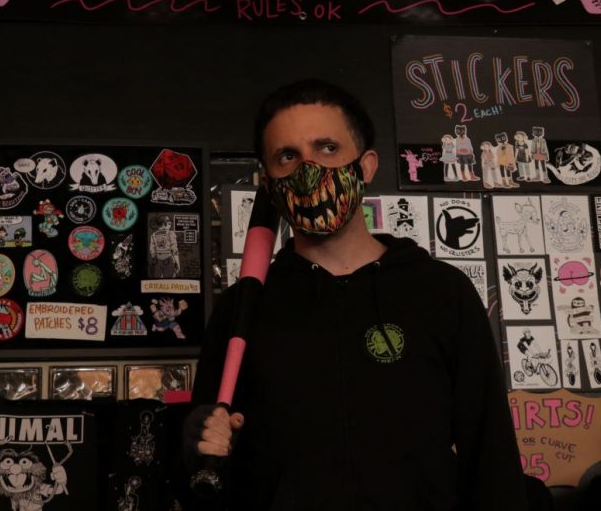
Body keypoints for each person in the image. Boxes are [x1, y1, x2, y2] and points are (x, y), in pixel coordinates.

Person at [185, 79, 527, 510]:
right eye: (287, 156)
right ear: (269, 184)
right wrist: (200, 445)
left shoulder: (441, 292)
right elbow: (208, 470)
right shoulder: (242, 309)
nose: (308, 170)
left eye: (327, 148)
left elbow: (490, 454)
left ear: (365, 167)